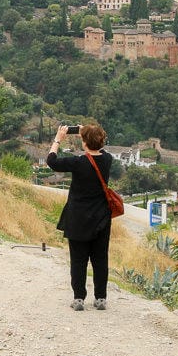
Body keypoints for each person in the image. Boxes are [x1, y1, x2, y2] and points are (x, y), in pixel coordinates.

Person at [48, 123, 114, 310]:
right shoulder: (107, 160)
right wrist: (88, 133)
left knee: (78, 260)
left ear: (84, 143)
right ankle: (100, 298)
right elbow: (100, 148)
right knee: (100, 259)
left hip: (78, 218)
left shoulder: (77, 162)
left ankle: (79, 298)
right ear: (101, 141)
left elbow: (52, 161)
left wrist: (58, 139)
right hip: (101, 218)